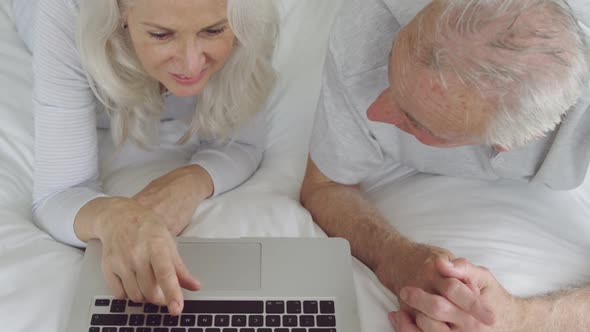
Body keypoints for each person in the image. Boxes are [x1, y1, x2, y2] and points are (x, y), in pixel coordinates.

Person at [300, 0, 590, 330]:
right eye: (393, 68)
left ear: (511, 142)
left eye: (416, 121)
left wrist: (521, 318)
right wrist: (396, 258)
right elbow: (324, 184)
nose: (374, 113)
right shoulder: (363, 28)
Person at [11, 0, 279, 315]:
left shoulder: (247, 15)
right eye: (161, 35)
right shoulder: (63, 12)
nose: (191, 64)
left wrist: (192, 181)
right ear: (120, 17)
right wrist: (114, 218)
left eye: (213, 30)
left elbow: (243, 143)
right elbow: (57, 193)